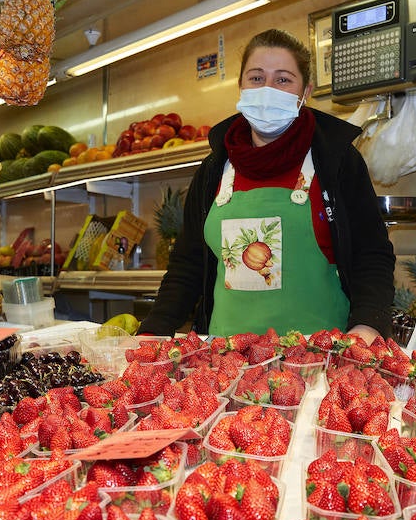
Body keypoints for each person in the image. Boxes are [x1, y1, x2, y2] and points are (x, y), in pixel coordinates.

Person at [142, 28, 396, 341]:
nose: (268, 89)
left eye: (283, 79)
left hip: (318, 365)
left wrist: (367, 326)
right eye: (257, 78)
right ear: (241, 86)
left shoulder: (336, 161)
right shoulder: (213, 169)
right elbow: (188, 264)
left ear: (305, 93)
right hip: (224, 365)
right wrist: (153, 332)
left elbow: (372, 254)